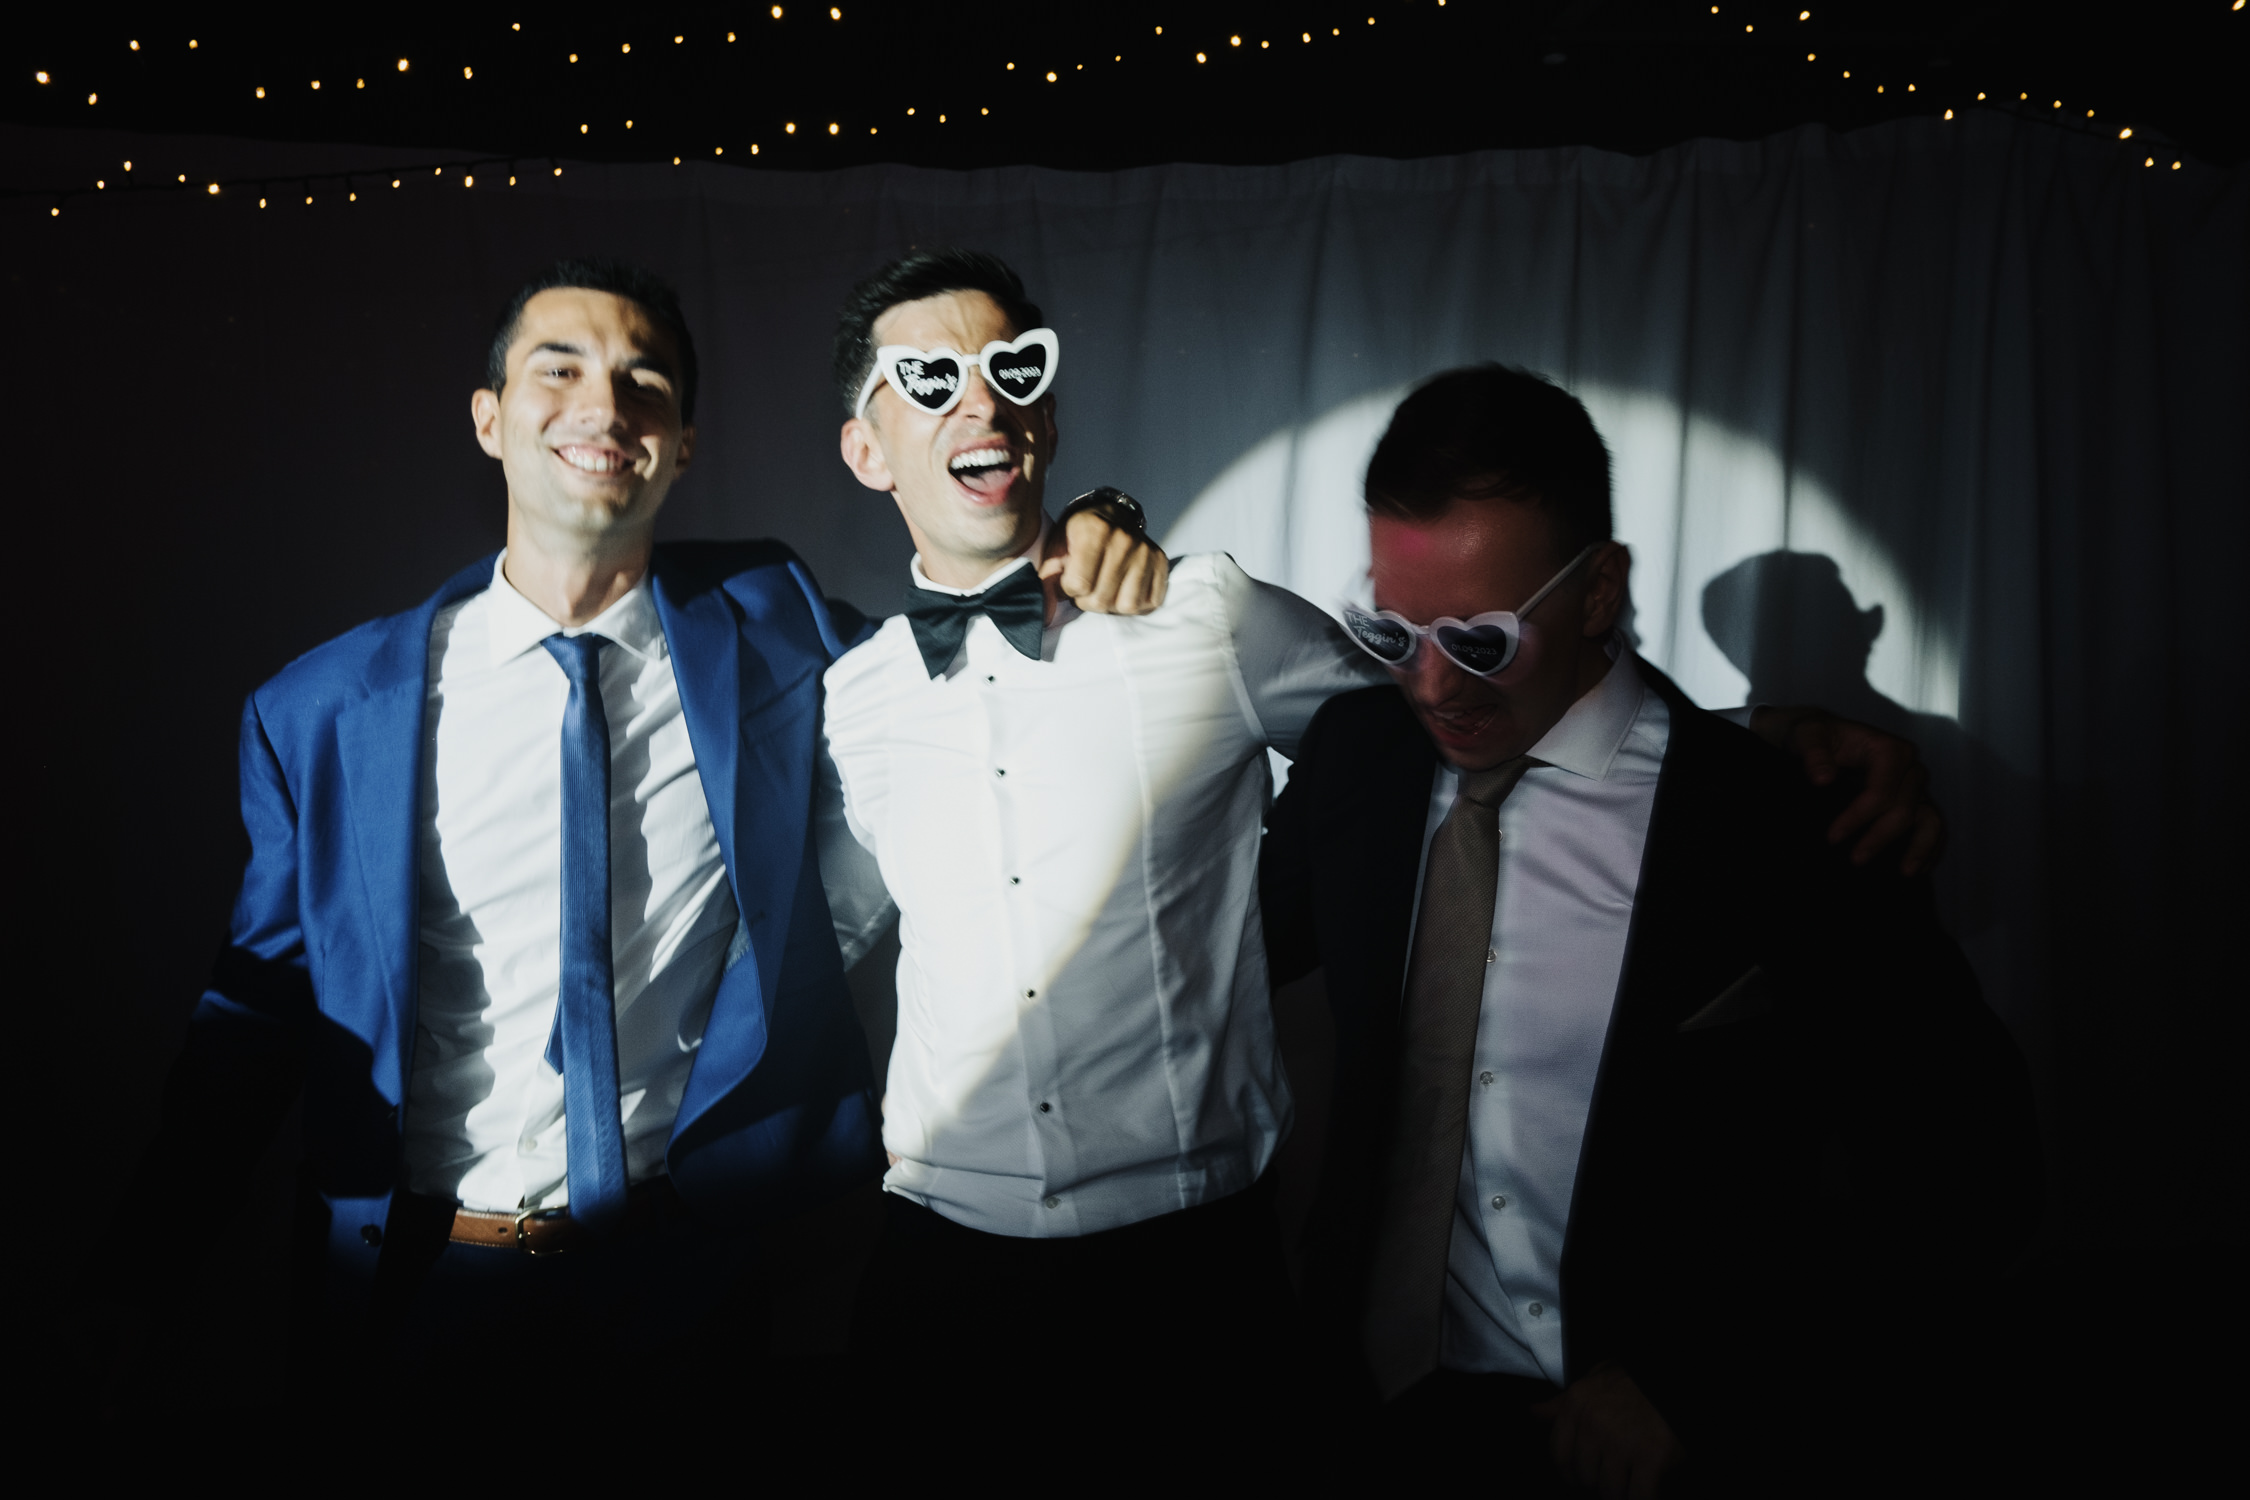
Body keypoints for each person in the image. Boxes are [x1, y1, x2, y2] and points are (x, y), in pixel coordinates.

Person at [115, 257, 1167, 1420]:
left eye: (644, 383)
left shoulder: (774, 622)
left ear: (683, 444)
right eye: (560, 370)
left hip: (693, 1281)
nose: (606, 407)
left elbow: (970, 646)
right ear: (489, 419)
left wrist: (1099, 520)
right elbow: (252, 1024)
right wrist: (135, 1294)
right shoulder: (319, 711)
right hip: (421, 1286)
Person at [1260, 366, 2042, 1494]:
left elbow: (1976, 1169)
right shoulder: (1356, 755)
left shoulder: (1793, 822)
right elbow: (1211, 957)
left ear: (1597, 592)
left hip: (1647, 1447)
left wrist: (1703, 1379)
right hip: (1373, 1413)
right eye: (1391, 630)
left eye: (1481, 641)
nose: (1430, 687)